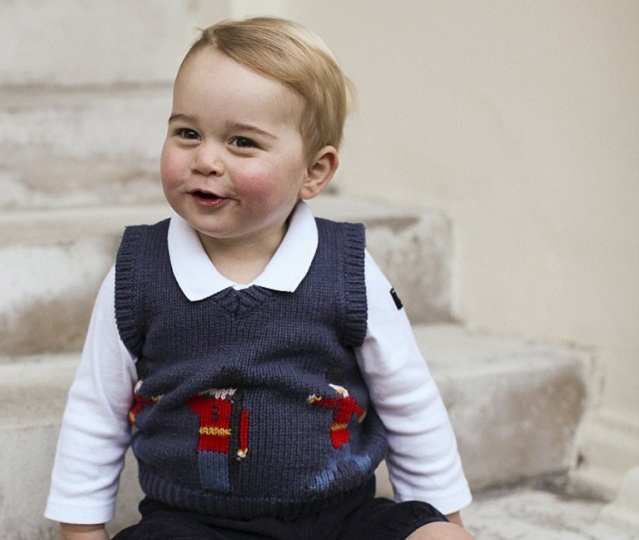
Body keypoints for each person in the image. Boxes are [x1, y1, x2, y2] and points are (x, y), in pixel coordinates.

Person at [45, 16, 474, 540]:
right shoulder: (140, 271)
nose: (205, 160)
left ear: (314, 172)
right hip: (194, 523)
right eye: (187, 133)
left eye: (242, 142)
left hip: (340, 519)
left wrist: (444, 519)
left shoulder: (345, 269)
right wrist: (81, 531)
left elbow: (407, 399)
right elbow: (96, 411)